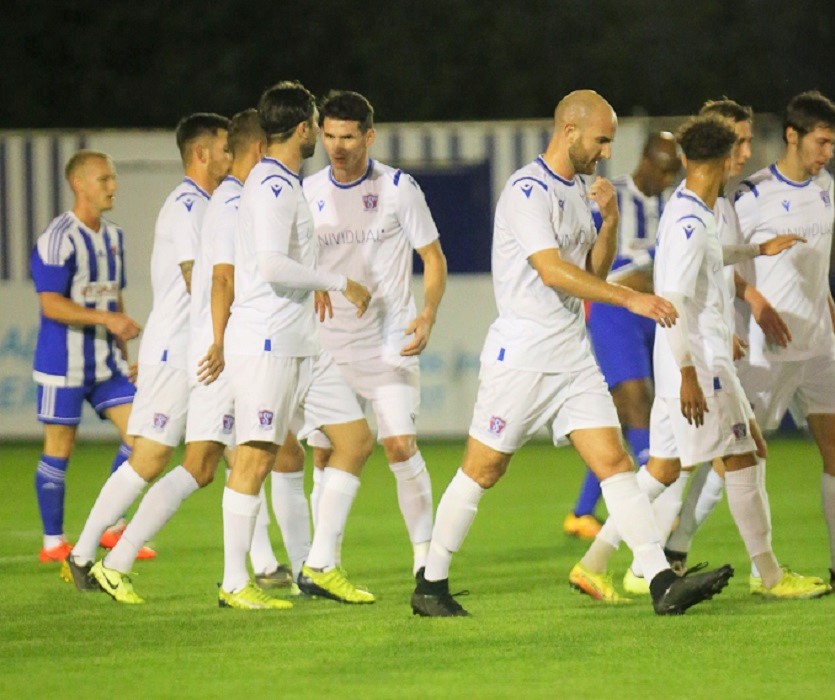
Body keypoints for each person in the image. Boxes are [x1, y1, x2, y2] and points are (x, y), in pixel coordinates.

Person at [411, 90, 734, 618]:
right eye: (601, 138)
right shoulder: (526, 190)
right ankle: (431, 583)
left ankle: (659, 582)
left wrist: (607, 223)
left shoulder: (585, 190)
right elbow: (552, 270)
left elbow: (592, 273)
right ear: (569, 131)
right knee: (484, 468)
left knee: (615, 463)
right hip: (523, 354)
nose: (607, 150)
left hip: (571, 353)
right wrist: (633, 298)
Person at [570, 113, 828, 602]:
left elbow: (708, 257)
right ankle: (771, 576)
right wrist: (689, 374)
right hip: (699, 367)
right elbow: (673, 300)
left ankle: (593, 561)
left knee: (664, 470)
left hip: (686, 367)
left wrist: (756, 247)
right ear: (725, 160)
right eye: (738, 152)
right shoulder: (691, 220)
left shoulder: (688, 209)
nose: (743, 159)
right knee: (746, 457)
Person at [686, 91, 835, 592]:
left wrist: (826, 303)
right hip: (767, 351)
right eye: (821, 141)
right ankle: (676, 548)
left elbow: (816, 261)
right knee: (732, 457)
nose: (828, 153)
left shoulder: (826, 185)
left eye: (833, 143)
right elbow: (725, 261)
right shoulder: (750, 195)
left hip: (819, 348)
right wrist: (755, 303)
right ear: (792, 135)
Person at [218, 80, 375, 610]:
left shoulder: (285, 180)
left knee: (354, 440)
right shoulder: (271, 186)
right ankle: (234, 582)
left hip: (302, 342)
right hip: (267, 342)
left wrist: (315, 289)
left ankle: (321, 563)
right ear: (305, 129)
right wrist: (336, 283)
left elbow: (288, 266)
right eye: (316, 124)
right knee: (255, 459)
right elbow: (270, 265)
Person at [61, 113, 232, 596]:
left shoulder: (211, 204)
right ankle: (86, 554)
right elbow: (197, 282)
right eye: (223, 148)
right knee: (152, 457)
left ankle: (255, 569)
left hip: (197, 351)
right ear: (201, 153)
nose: (229, 155)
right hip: (182, 352)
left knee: (222, 458)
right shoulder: (187, 206)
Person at [302, 90, 447, 577]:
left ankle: (425, 560)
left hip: (388, 341)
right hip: (329, 344)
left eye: (347, 137)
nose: (337, 147)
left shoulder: (399, 188)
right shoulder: (308, 191)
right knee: (325, 453)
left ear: (369, 136)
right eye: (329, 136)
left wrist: (426, 313)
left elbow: (433, 257)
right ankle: (324, 563)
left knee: (399, 445)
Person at [564, 132, 682, 539]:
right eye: (664, 169)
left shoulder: (673, 207)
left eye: (674, 173)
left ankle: (581, 512)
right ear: (647, 160)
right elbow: (581, 256)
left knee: (617, 413)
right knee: (638, 403)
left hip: (659, 313)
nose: (667, 179)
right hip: (615, 312)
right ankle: (656, 504)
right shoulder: (609, 197)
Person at [30, 151, 141, 563]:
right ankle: (53, 542)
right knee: (60, 446)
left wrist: (123, 342)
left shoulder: (113, 237)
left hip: (106, 363)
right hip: (63, 362)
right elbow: (51, 305)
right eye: (104, 179)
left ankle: (112, 526)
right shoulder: (59, 237)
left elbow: (114, 295)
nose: (113, 187)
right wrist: (106, 321)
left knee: (141, 438)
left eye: (113, 179)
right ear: (79, 184)